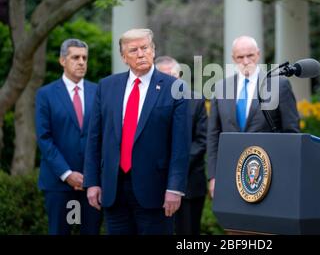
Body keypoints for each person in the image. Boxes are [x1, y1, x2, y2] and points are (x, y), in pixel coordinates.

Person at [83, 29, 191, 235]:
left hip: (156, 192)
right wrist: (92, 182)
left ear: (153, 50)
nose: (141, 54)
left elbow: (181, 146)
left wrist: (175, 188)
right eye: (134, 50)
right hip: (113, 190)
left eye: (145, 48)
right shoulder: (106, 86)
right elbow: (94, 138)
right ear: (124, 57)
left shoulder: (175, 87)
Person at [207, 36, 300, 198]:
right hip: (230, 171)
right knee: (234, 222)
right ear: (233, 59)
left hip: (269, 172)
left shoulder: (279, 85)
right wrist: (214, 176)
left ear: (258, 55)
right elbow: (213, 136)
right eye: (240, 57)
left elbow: (292, 131)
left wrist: (288, 172)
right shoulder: (221, 88)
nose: (245, 61)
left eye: (250, 55)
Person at [35, 38, 102, 235]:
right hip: (58, 182)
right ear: (62, 61)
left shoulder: (98, 91)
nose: (81, 62)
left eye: (84, 58)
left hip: (92, 183)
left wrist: (95, 175)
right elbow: (44, 138)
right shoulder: (45, 94)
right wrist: (67, 174)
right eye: (75, 57)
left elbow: (104, 136)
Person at [155, 56, 207, 235]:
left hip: (190, 184)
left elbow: (202, 140)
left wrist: (176, 166)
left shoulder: (196, 100)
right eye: (165, 76)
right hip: (155, 184)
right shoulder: (149, 103)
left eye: (173, 76)